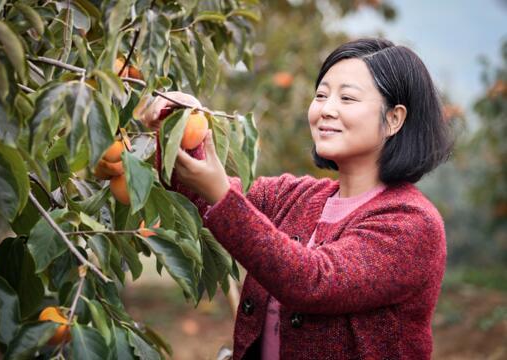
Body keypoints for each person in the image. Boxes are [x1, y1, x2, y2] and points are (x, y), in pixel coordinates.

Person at [139, 38, 454, 359]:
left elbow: (312, 281)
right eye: (321, 95)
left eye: (346, 97)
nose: (326, 109)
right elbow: (203, 194)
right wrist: (179, 123)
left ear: (393, 119)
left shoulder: (411, 223)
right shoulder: (296, 195)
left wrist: (219, 192)